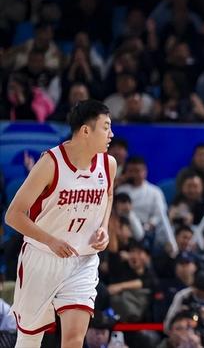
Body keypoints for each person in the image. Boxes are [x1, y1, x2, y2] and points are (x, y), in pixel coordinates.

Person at [4, 99, 116, 347]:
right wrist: (50, 241)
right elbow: (13, 215)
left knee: (74, 339)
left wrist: (104, 227)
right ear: (85, 130)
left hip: (83, 260)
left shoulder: (108, 164)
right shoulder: (50, 163)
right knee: (29, 340)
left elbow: (108, 195)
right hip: (42, 258)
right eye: (106, 127)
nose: (112, 134)